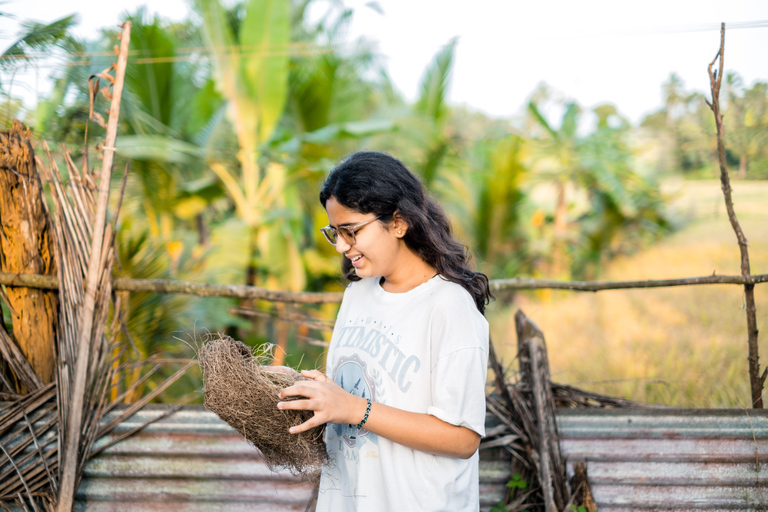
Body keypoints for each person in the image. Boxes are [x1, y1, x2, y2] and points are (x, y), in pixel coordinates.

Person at [277, 151, 492, 511]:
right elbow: (353, 396)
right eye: (335, 232)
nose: (343, 247)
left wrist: (352, 408)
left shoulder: (449, 307)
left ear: (398, 223)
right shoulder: (357, 295)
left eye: (352, 231)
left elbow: (463, 438)